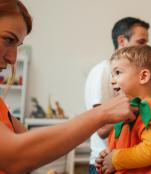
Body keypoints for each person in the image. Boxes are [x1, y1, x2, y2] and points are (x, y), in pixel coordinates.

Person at [0, 1, 136, 174]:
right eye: (8, 40)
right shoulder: (102, 71)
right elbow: (16, 157)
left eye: (17, 45)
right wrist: (102, 114)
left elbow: (33, 147)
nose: (13, 58)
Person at [95, 45, 151, 174]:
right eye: (112, 75)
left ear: (143, 76)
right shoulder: (126, 114)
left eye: (118, 73)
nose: (112, 81)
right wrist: (105, 158)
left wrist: (115, 159)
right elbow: (120, 151)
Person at [85, 17, 150, 174]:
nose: (146, 48)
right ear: (122, 41)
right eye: (141, 42)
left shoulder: (128, 74)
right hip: (105, 164)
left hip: (121, 162)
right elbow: (101, 128)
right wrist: (144, 109)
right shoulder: (104, 71)